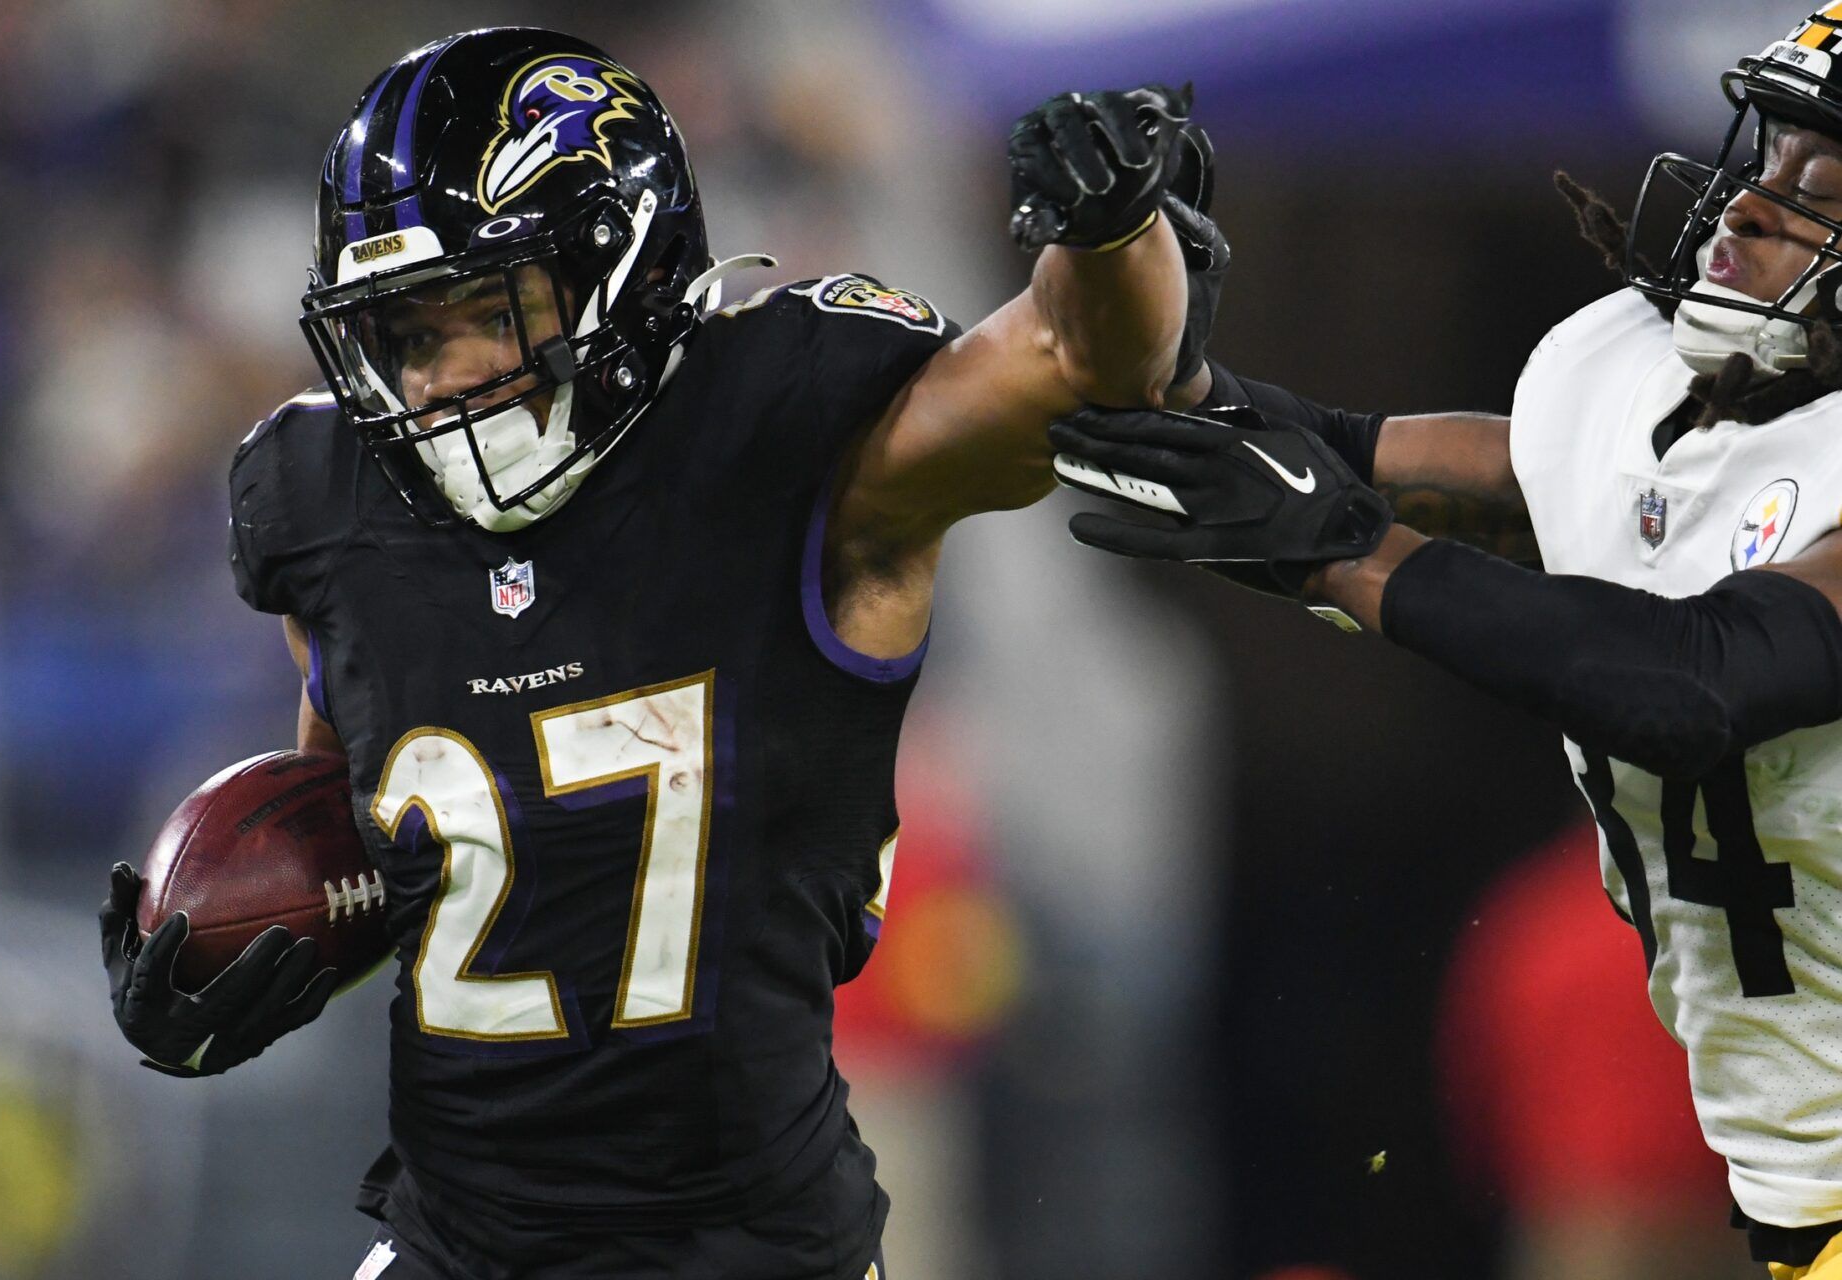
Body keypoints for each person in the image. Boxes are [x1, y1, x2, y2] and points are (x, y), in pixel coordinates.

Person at [94, 26, 1219, 1280]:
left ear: (617, 270)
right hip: (459, 1244)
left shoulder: (787, 434)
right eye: (410, 332)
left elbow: (1088, 359)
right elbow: (373, 826)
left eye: (490, 310)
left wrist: (1120, 233)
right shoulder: (328, 506)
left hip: (744, 1248)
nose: (448, 374)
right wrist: (252, 939)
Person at [1051, 7, 1842, 1278]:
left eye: (1822, 185)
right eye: (1766, 160)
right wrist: (1130, 296)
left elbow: (1697, 680)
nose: (1752, 208)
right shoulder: (1708, 420)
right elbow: (1333, 454)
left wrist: (1339, 552)